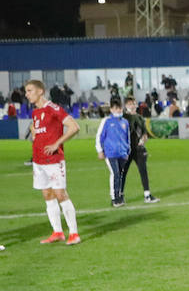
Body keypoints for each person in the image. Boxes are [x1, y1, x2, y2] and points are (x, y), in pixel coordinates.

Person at [24, 80, 81, 245]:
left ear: (40, 91)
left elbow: (74, 127)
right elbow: (38, 136)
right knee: (47, 195)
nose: (27, 94)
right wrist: (35, 135)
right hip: (39, 161)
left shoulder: (53, 108)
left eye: (29, 90)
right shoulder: (35, 113)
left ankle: (74, 234)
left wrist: (57, 143)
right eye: (26, 91)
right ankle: (57, 232)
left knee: (60, 194)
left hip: (54, 160)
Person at [121, 97, 159, 203]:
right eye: (129, 104)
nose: (132, 106)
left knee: (143, 171)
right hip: (126, 150)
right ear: (126, 106)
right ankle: (120, 195)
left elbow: (145, 134)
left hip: (138, 149)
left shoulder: (140, 118)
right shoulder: (123, 118)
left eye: (133, 103)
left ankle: (147, 195)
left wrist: (143, 139)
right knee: (123, 173)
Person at [95, 103, 131, 206]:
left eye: (119, 108)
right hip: (110, 153)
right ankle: (115, 198)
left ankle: (119, 196)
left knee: (120, 175)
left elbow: (127, 137)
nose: (118, 110)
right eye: (116, 108)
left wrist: (128, 150)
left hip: (122, 153)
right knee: (115, 173)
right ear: (111, 109)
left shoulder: (125, 122)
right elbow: (100, 136)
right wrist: (100, 150)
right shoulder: (106, 121)